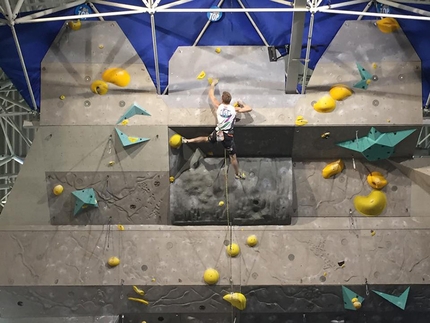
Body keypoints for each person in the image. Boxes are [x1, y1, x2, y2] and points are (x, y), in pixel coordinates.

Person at [182, 79, 252, 179]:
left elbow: (211, 95)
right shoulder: (234, 109)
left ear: (222, 100)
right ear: (230, 100)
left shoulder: (218, 106)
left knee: (206, 139)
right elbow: (249, 108)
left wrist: (213, 84)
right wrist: (241, 104)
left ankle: (188, 140)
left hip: (218, 133)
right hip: (228, 137)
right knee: (233, 157)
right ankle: (237, 174)